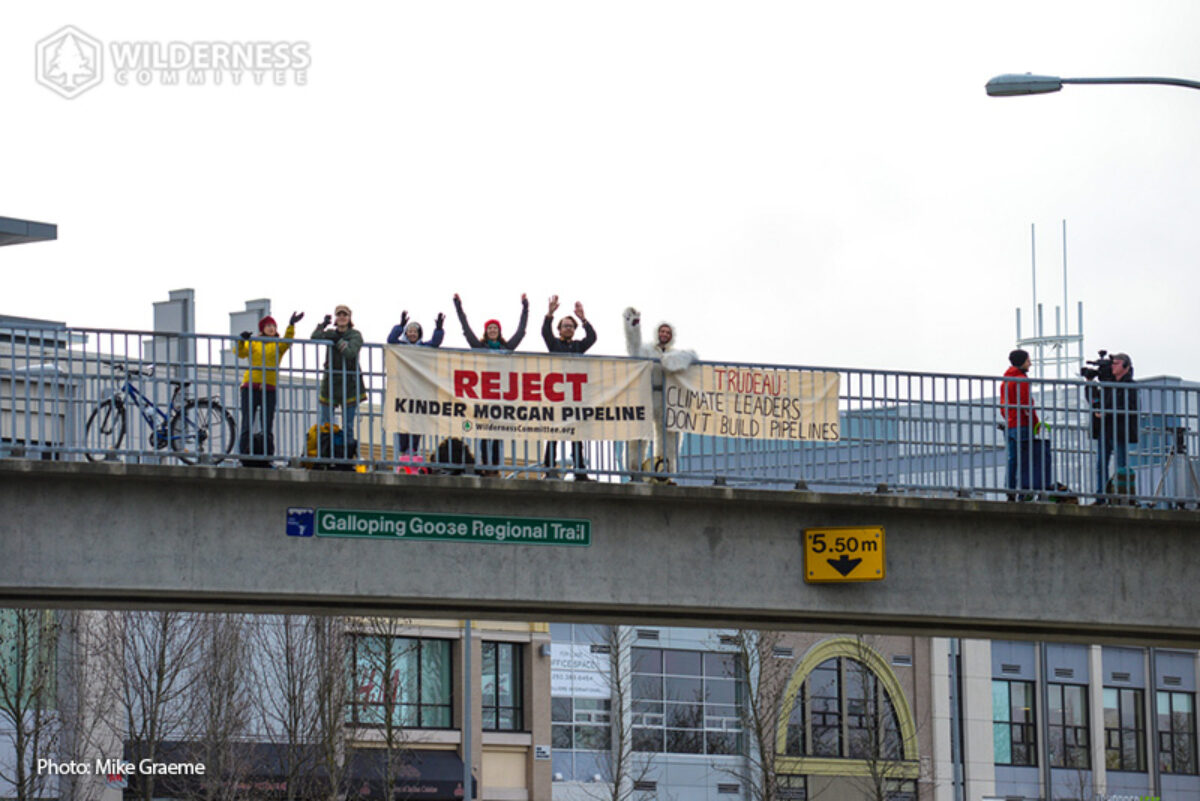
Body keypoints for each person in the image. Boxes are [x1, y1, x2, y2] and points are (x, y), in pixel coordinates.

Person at [453, 292, 529, 474]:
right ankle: (486, 465)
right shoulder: (479, 348)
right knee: (484, 431)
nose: (493, 330)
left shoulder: (506, 349)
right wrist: (458, 307)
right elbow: (466, 330)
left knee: (498, 432)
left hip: (500, 396)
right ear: (486, 332)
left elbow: (521, 332)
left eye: (495, 328)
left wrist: (525, 308)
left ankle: (494, 467)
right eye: (490, 328)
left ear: (499, 331)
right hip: (483, 395)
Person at [623, 307, 696, 478]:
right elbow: (634, 350)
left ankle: (666, 471)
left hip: (668, 397)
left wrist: (672, 360)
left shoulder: (677, 353)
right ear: (657, 333)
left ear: (672, 335)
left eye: (667, 332)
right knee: (639, 432)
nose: (664, 334)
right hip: (647, 395)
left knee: (670, 436)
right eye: (662, 331)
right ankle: (635, 469)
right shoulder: (647, 350)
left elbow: (692, 356)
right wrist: (632, 327)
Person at [541, 295, 597, 480]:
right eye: (565, 325)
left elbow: (592, 337)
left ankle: (580, 471)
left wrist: (583, 319)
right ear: (559, 329)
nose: (568, 328)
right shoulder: (554, 344)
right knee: (553, 434)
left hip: (574, 397)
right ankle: (549, 470)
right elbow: (545, 333)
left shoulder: (579, 345)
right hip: (556, 395)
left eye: (571, 326)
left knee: (576, 434)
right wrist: (549, 314)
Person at [235, 312, 302, 456]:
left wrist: (291, 325)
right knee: (247, 423)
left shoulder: (278, 345)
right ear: (262, 329)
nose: (272, 328)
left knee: (267, 425)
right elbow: (240, 352)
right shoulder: (254, 342)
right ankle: (243, 455)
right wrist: (241, 340)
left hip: (269, 388)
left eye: (274, 326)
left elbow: (288, 341)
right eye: (268, 325)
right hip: (250, 387)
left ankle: (266, 456)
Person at [386, 310, 446, 457]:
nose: (412, 334)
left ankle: (413, 450)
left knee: (417, 420)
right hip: (403, 389)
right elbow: (391, 340)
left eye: (415, 331)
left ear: (419, 334)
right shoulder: (400, 346)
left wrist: (438, 329)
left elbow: (436, 343)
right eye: (409, 331)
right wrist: (400, 325)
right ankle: (403, 450)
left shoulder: (424, 348)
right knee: (402, 420)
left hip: (419, 390)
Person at [312, 305, 366, 447]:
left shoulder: (355, 335)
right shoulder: (330, 332)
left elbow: (350, 352)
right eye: (339, 315)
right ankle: (325, 455)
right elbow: (314, 337)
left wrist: (337, 341)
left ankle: (346, 459)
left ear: (349, 318)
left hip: (350, 383)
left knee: (348, 426)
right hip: (330, 383)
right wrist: (322, 325)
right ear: (335, 318)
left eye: (345, 315)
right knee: (325, 424)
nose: (342, 317)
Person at [1090, 352, 1139, 504]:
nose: (1112, 366)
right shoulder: (1107, 384)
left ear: (1126, 366)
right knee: (1101, 466)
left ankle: (1120, 497)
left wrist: (1108, 411)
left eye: (1116, 363)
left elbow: (1128, 405)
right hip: (1105, 429)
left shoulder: (1130, 385)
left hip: (1120, 430)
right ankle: (1102, 497)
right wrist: (1089, 382)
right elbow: (1093, 399)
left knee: (1121, 465)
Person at [1000, 349, 1040, 500]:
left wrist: (1009, 417)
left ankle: (1010, 492)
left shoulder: (1006, 380)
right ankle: (1023, 494)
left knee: (1012, 460)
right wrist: (1035, 423)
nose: (1030, 363)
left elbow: (1003, 405)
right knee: (1025, 461)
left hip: (1010, 424)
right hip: (1022, 424)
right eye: (1028, 360)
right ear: (1022, 361)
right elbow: (1026, 405)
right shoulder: (1021, 379)